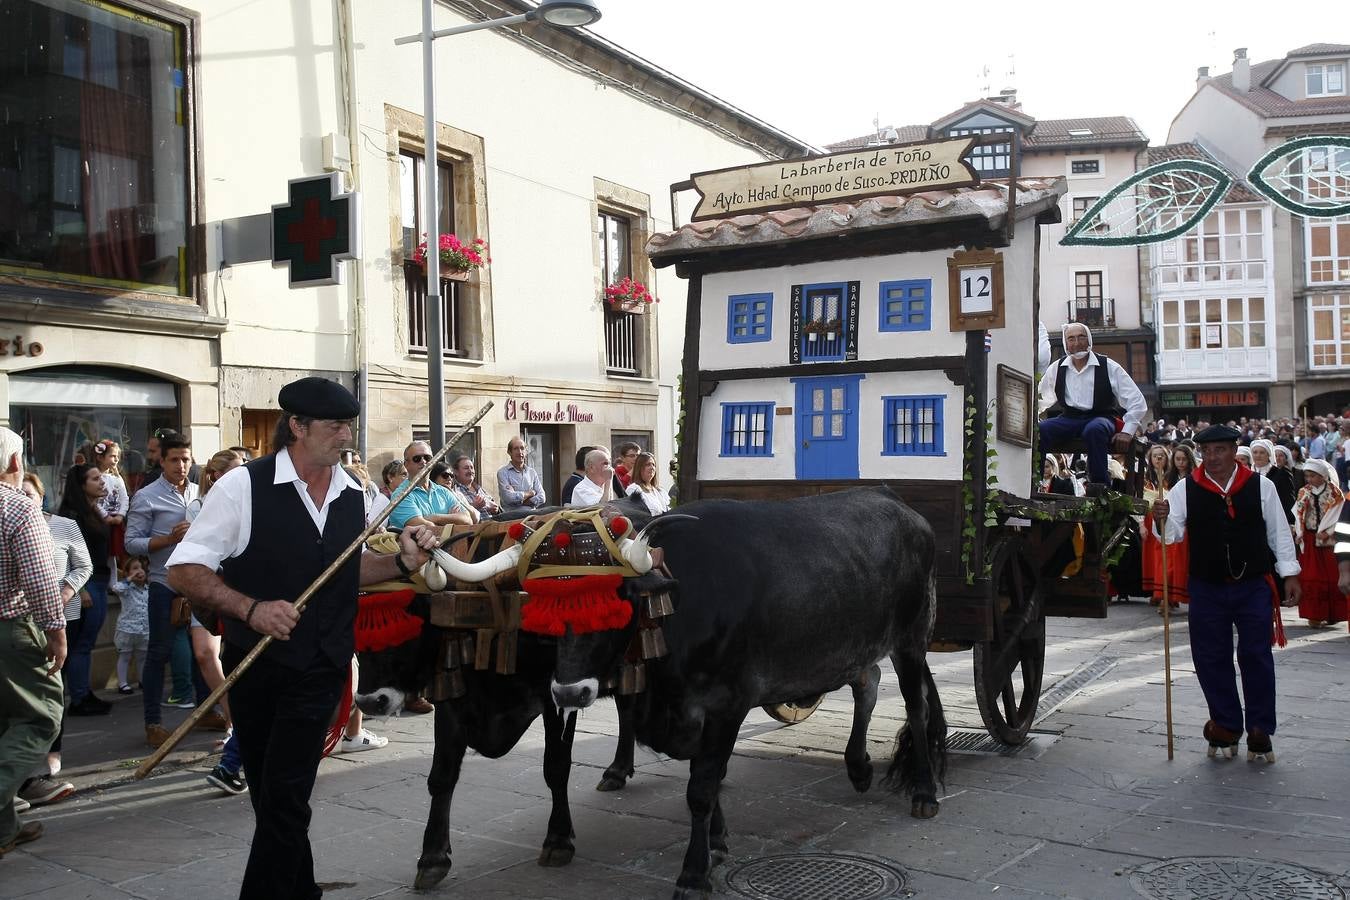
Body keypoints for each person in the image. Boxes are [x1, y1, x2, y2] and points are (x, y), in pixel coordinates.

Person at [165, 376, 440, 900]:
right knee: (272, 794)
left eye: (349, 426)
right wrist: (251, 608)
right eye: (335, 426)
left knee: (287, 792)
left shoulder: (351, 491)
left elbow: (347, 570)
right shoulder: (243, 486)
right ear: (297, 426)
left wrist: (404, 560)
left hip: (321, 666)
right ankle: (301, 889)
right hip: (255, 664)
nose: (345, 437)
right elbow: (184, 569)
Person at [1152, 424, 1301, 762]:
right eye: (1208, 451)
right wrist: (1159, 518)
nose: (1214, 457)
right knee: (1210, 656)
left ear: (1235, 451)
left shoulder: (1260, 485)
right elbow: (1170, 535)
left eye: (1221, 450)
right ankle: (1226, 724)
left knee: (1256, 655)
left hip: (1253, 585)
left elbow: (1279, 532)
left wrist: (1290, 574)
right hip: (1206, 586)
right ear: (1201, 454)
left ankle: (1261, 729)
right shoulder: (1183, 489)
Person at [0, 425, 66, 856]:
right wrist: (57, 631)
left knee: (5, 722)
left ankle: (4, 828)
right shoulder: (18, 508)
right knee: (41, 716)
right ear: (13, 463)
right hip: (10, 629)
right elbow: (42, 581)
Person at [125, 430, 204, 747]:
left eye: (186, 459)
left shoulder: (199, 492)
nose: (181, 466)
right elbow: (132, 543)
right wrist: (168, 539)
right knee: (159, 653)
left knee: (204, 653)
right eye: (175, 460)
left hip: (199, 582)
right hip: (164, 583)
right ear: (162, 460)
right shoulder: (146, 496)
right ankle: (153, 723)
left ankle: (206, 711)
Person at [15, 473, 88, 810]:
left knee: (55, 690)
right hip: (22, 622)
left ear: (42, 497)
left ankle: (49, 761)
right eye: (20, 493)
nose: (25, 498)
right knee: (34, 699)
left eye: (31, 494)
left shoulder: (63, 525)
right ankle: (22, 779)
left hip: (63, 614)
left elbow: (83, 565)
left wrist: (66, 591)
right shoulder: (14, 523)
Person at [186, 450, 247, 795]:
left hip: (250, 602)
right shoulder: (203, 507)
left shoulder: (250, 503)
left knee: (258, 687)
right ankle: (232, 761)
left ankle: (233, 761)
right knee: (250, 683)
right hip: (224, 600)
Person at [1038, 323, 1147, 492]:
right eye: (1071, 338)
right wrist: (1029, 418)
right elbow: (1041, 398)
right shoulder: (1056, 368)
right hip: (1069, 419)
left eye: (1081, 337)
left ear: (1089, 340)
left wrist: (1127, 430)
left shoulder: (1108, 366)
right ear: (1065, 343)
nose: (1077, 342)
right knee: (1041, 429)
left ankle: (1100, 486)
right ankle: (1034, 480)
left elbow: (1137, 401)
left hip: (1101, 417)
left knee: (1095, 429)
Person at [56, 463, 112, 716]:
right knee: (80, 643)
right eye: (95, 478)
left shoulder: (93, 511)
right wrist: (81, 589)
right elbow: (68, 556)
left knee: (83, 643)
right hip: (85, 586)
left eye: (101, 478)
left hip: (99, 581)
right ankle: (78, 698)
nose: (102, 482)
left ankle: (83, 692)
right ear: (81, 485)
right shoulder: (71, 516)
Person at [1291, 459, 1345, 629]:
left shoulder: (1334, 493)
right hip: (1310, 539)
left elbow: (1339, 515)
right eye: (1307, 475)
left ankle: (1333, 613)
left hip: (1328, 541)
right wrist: (1299, 533)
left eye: (1313, 475)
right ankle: (1314, 614)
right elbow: (1299, 513)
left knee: (1332, 575)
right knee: (1311, 576)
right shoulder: (1303, 491)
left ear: (1323, 476)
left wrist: (1328, 532)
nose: (1309, 479)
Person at [388, 441, 475, 530]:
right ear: (406, 465)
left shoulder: (443, 491)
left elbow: (468, 520)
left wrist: (435, 517)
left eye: (427, 458)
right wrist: (452, 520)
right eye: (417, 458)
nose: (423, 461)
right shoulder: (400, 495)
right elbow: (426, 527)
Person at [1141, 445, 1188, 611]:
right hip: (1162, 523)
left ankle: (1172, 596)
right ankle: (1163, 596)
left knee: (1176, 564)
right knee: (1164, 562)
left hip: (1180, 526)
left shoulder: (1189, 479)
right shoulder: (1168, 478)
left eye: (1162, 456)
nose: (1158, 459)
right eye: (1178, 459)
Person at [111, 556, 151, 695]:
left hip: (144, 629)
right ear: (127, 573)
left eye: (141, 568)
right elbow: (116, 588)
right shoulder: (127, 589)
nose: (139, 571)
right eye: (135, 568)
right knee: (125, 656)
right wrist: (129, 579)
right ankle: (122, 684)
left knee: (142, 657)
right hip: (127, 629)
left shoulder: (148, 589)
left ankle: (142, 680)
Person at [93, 440, 128, 567]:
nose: (116, 459)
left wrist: (120, 515)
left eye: (117, 456)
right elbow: (93, 500)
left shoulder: (117, 479)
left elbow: (124, 498)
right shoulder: (94, 478)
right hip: (99, 522)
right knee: (101, 552)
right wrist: (105, 516)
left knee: (113, 554)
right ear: (100, 457)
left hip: (116, 521)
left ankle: (113, 583)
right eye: (112, 456)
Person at [1251, 439, 1296, 530]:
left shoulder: (1281, 474)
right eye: (1255, 452)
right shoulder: (1247, 473)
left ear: (1268, 455)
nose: (1258, 455)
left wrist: (1289, 522)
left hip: (1275, 520)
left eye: (1262, 452)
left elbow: (1288, 500)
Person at [497, 435, 546, 512]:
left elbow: (542, 497)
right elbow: (509, 498)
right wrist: (530, 493)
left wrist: (520, 500)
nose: (520, 452)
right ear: (509, 452)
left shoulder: (532, 472)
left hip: (531, 516)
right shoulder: (503, 473)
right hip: (511, 517)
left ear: (526, 452)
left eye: (522, 448)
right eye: (516, 449)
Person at [625, 451, 669, 515]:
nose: (652, 468)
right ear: (639, 468)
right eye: (648, 465)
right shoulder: (634, 489)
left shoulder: (661, 491)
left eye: (653, 465)